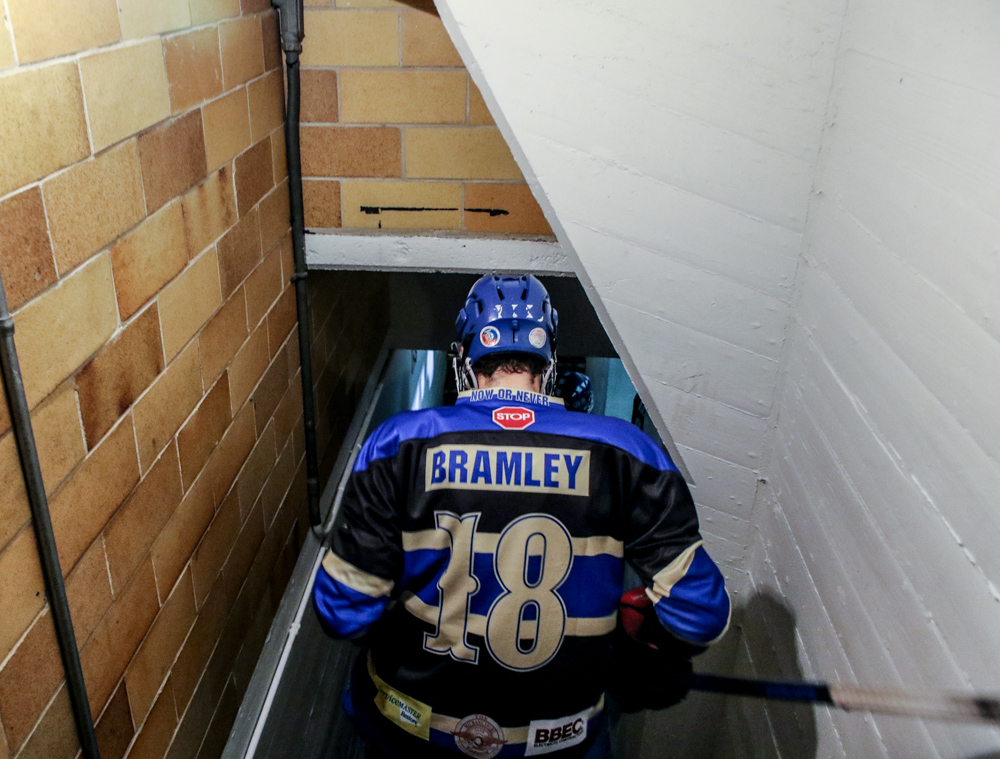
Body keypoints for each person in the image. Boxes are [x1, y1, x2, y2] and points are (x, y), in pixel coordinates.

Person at [313, 274, 730, 759]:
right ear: (547, 362)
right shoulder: (627, 453)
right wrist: (638, 640)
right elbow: (700, 615)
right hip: (560, 745)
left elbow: (343, 612)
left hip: (412, 736)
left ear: (466, 360)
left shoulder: (399, 444)